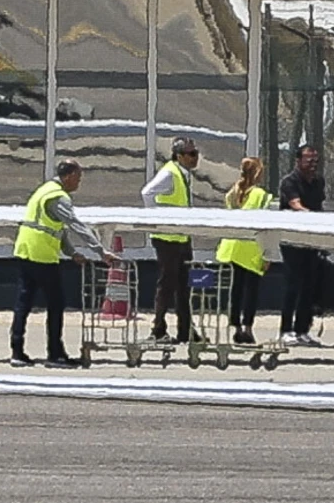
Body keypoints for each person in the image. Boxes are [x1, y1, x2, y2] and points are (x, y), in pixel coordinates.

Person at [10, 159, 119, 369]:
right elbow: (75, 225)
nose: (79, 183)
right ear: (68, 177)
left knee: (23, 304)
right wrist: (101, 250)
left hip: (25, 251)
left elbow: (55, 229)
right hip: (42, 257)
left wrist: (72, 253)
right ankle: (55, 354)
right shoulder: (59, 198)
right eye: (78, 178)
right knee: (56, 304)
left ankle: (17, 351)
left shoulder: (44, 190)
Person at [140, 137, 200, 344]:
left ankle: (186, 329)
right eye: (191, 154)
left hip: (181, 237)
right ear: (179, 156)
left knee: (185, 286)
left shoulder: (182, 174)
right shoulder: (169, 172)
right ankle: (158, 328)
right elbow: (147, 193)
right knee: (167, 284)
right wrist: (159, 219)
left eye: (196, 153)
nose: (195, 158)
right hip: (167, 239)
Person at [216, 157, 274, 344]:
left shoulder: (232, 193)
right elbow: (266, 227)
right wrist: (268, 254)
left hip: (232, 247)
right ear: (257, 174)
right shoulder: (261, 195)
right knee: (251, 291)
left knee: (236, 289)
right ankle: (248, 327)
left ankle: (235, 326)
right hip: (252, 248)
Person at [278, 144, 326, 347]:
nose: (313, 164)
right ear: (298, 161)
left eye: (315, 160)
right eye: (308, 160)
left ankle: (302, 330)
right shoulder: (289, 182)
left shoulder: (318, 182)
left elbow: (320, 205)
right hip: (292, 239)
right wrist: (310, 216)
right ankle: (285, 330)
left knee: (309, 285)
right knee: (293, 285)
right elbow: (295, 204)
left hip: (311, 240)